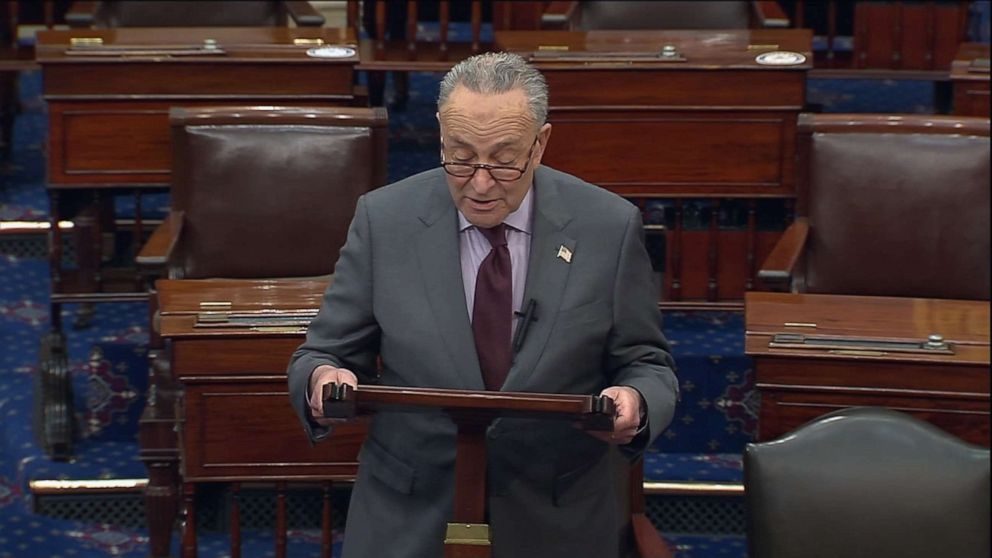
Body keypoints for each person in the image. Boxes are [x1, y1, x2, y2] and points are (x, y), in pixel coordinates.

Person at [288, 51, 679, 558]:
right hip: (410, 513)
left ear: (540, 145)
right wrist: (324, 380)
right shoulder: (385, 220)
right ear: (439, 135)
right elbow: (321, 354)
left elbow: (647, 363)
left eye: (502, 159)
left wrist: (636, 403)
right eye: (461, 155)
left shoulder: (607, 226)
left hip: (557, 518)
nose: (479, 182)